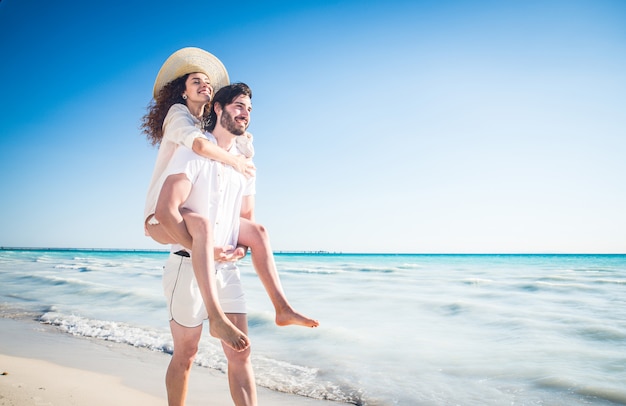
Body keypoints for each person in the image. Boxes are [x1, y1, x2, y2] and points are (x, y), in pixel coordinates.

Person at [141, 48, 318, 343]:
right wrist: (237, 160)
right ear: (182, 92)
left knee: (257, 231)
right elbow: (199, 147)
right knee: (201, 227)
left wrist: (241, 246)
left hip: (189, 212)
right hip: (160, 217)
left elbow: (238, 143)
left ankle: (282, 307)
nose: (204, 86)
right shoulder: (179, 116)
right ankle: (216, 317)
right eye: (196, 81)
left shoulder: (206, 125)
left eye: (208, 83)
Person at [159, 83, 257, 405]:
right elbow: (165, 211)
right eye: (239, 106)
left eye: (249, 109)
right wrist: (200, 248)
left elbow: (246, 220)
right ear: (218, 108)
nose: (245, 114)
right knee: (186, 353)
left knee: (241, 354)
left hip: (227, 271)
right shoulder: (193, 150)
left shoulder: (243, 165)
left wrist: (242, 249)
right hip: (186, 265)